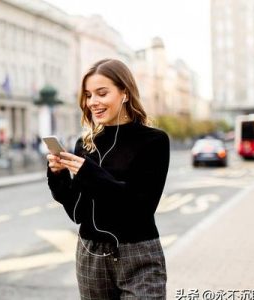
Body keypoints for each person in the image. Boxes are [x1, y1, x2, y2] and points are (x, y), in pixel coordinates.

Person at [46, 59, 169, 299]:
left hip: (138, 253)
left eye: (102, 93)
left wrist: (88, 173)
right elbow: (78, 213)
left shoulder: (153, 141)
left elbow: (140, 208)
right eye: (88, 95)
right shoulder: (85, 144)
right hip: (90, 255)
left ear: (124, 92)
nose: (93, 102)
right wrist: (58, 175)